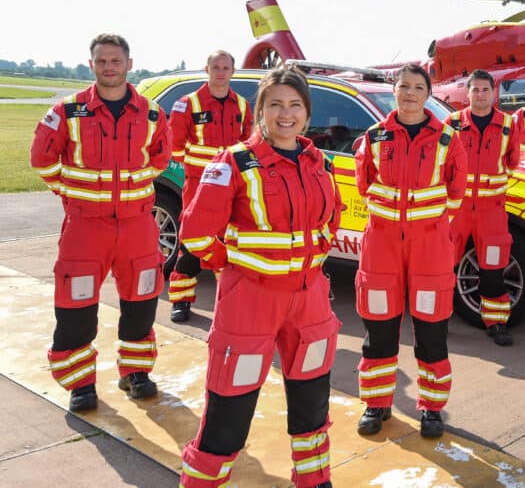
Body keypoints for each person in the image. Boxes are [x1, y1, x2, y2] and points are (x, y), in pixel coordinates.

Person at [177, 66, 341, 488]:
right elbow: (195, 232)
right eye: (276, 105)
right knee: (229, 411)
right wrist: (231, 266)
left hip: (309, 303)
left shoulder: (318, 160)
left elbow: (331, 220)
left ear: (306, 112)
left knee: (311, 402)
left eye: (295, 105)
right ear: (260, 111)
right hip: (250, 304)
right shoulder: (232, 162)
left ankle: (314, 480)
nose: (286, 114)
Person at [30, 33, 171, 411]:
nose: (110, 67)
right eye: (102, 61)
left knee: (141, 302)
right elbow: (42, 160)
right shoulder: (67, 110)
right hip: (85, 228)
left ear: (129, 63)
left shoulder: (152, 113)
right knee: (75, 309)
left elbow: (159, 160)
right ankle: (81, 385)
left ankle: (135, 374)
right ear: (92, 65)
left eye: (116, 61)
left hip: (138, 226)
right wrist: (76, 194)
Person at [354, 63, 466, 439]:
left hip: (430, 248)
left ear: (428, 94)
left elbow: (455, 191)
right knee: (379, 330)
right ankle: (377, 404)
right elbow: (363, 184)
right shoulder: (372, 137)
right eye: (404, 86)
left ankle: (432, 409)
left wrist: (426, 225)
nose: (410, 93)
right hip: (382, 247)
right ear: (395, 90)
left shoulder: (449, 140)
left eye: (418, 87)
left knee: (432, 332)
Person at [166, 50, 253, 323]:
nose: (220, 72)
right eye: (215, 67)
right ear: (207, 69)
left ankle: (227, 303)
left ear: (233, 71)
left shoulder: (241, 105)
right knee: (192, 243)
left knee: (229, 244)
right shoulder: (187, 104)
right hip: (199, 187)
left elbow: (247, 145)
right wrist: (203, 169)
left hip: (232, 188)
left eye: (225, 67)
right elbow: (175, 147)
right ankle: (180, 301)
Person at [445, 69, 521, 346]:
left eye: (484, 90)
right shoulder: (451, 124)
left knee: (492, 267)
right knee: (444, 265)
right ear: (468, 93)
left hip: (492, 211)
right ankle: (439, 321)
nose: (480, 95)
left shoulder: (508, 125)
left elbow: (512, 162)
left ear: (493, 92)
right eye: (475, 90)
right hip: (457, 209)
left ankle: (496, 323)